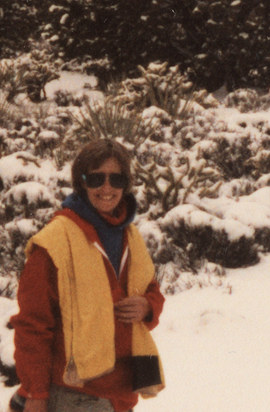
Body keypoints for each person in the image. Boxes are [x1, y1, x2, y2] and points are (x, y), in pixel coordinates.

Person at [11, 138, 166, 412]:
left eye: (116, 179)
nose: (107, 188)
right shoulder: (55, 241)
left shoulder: (130, 236)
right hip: (76, 394)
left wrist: (147, 306)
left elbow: (151, 289)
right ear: (81, 182)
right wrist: (35, 392)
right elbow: (33, 325)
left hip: (121, 394)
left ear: (126, 184)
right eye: (96, 178)